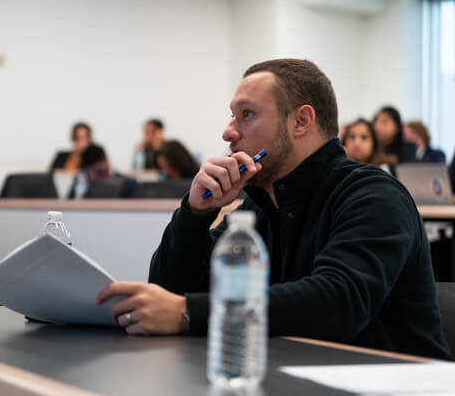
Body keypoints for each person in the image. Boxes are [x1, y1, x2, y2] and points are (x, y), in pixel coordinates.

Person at [96, 59, 452, 360]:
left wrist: (188, 312)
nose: (228, 132)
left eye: (246, 115)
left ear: (301, 121)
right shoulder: (258, 205)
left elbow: (337, 302)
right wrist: (194, 215)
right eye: (232, 116)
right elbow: (170, 290)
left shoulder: (373, 195)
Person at [68, 143, 137, 198]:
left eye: (98, 172)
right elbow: (70, 202)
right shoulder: (81, 179)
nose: (93, 177)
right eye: (90, 173)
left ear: (107, 162)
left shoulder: (128, 184)